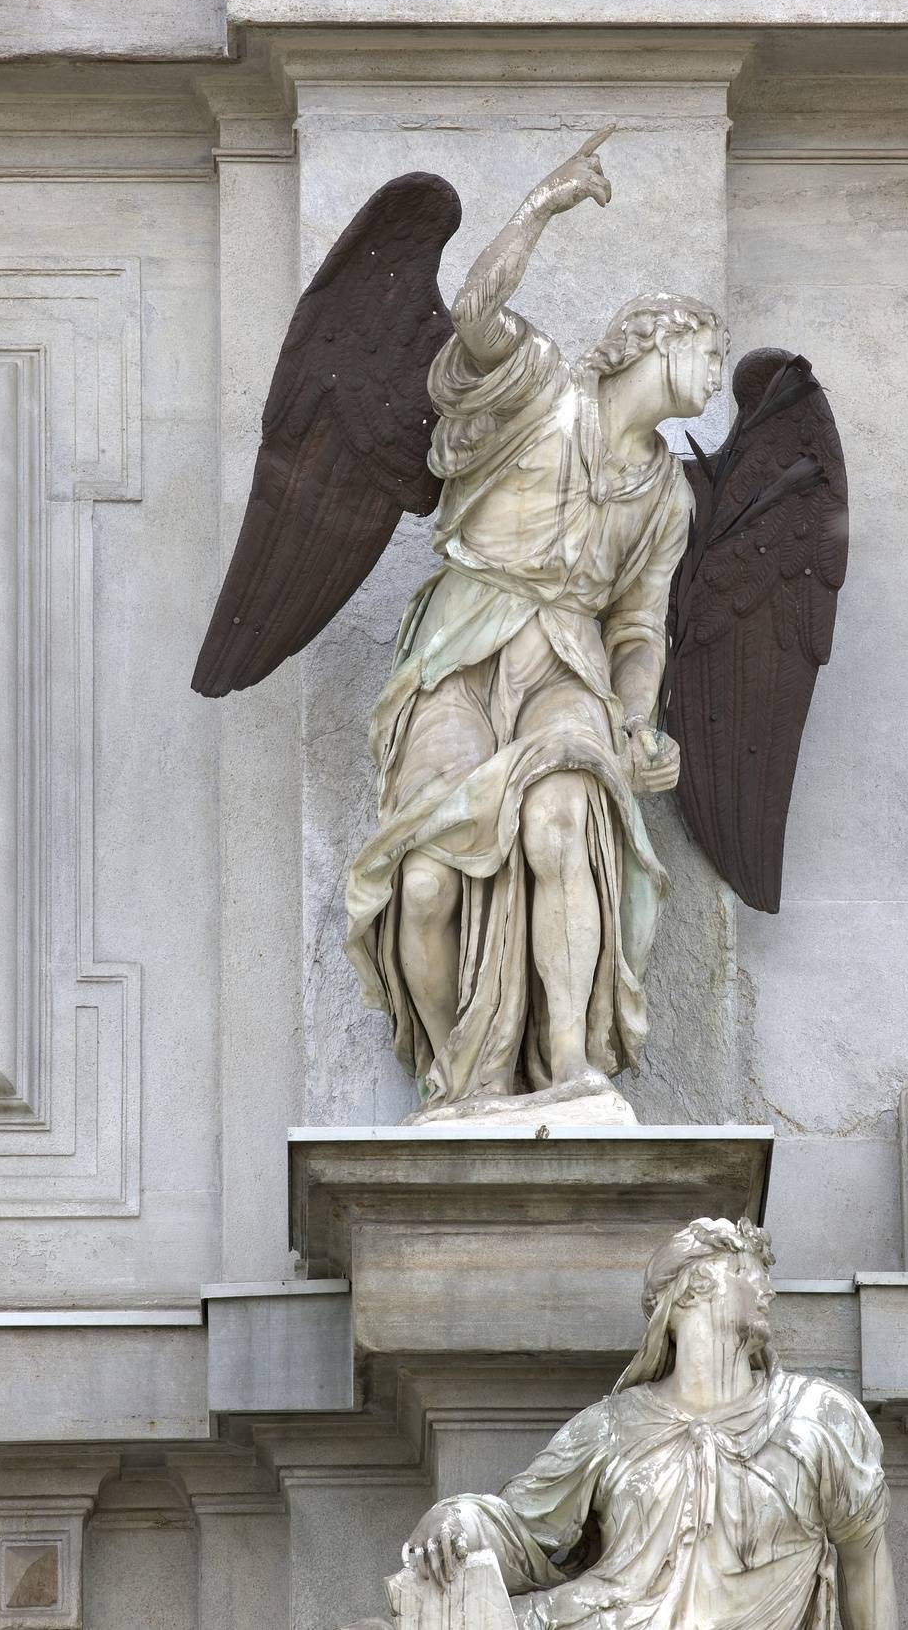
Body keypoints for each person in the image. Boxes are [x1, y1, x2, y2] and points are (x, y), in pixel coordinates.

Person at [345, 129, 723, 1115]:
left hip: (568, 668)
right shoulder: (540, 389)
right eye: (708, 350)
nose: (716, 372)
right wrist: (543, 205)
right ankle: (457, 1081)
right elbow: (472, 315)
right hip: (461, 654)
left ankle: (567, 1066)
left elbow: (639, 629)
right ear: (657, 341)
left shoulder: (664, 497)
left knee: (562, 820)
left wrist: (638, 722)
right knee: (424, 885)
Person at [401, 1218, 898, 1630]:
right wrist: (453, 1519)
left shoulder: (817, 1417)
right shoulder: (611, 1428)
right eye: (749, 1272)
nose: (768, 1290)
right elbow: (521, 1530)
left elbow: (864, 1562)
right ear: (695, 1286)